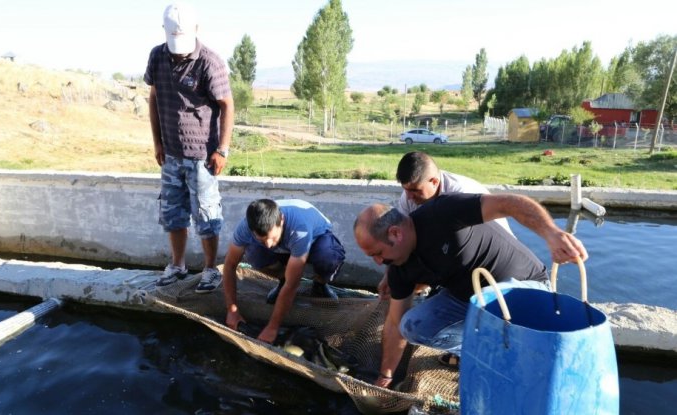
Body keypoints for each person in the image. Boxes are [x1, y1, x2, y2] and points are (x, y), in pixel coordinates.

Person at [353, 193, 587, 388]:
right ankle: (477, 352)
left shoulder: (442, 213)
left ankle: (504, 354)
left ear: (395, 233)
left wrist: (552, 233)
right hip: (470, 298)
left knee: (516, 347)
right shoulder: (398, 267)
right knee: (411, 326)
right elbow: (395, 325)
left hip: (521, 286)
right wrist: (386, 375)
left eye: (377, 253)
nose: (378, 262)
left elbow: (509, 203)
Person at [144, 3, 234, 292]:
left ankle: (210, 270)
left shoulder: (210, 61)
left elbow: (227, 105)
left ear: (197, 30)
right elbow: (154, 99)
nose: (178, 49)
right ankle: (178, 265)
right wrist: (158, 142)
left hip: (203, 158)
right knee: (172, 213)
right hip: (171, 154)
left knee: (206, 215)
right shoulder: (157, 56)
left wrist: (222, 149)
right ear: (165, 32)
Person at [376, 151, 515, 299]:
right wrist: (390, 276)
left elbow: (456, 251)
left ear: (434, 182)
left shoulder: (461, 194)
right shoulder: (409, 197)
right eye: (405, 189)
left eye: (415, 190)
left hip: (494, 269)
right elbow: (402, 241)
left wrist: (421, 281)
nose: (409, 197)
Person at [222, 199, 346, 344]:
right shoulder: (245, 227)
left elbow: (293, 285)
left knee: (327, 257)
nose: (268, 244)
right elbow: (229, 266)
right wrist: (232, 310)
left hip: (317, 240)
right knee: (255, 254)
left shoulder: (299, 228)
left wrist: (272, 327)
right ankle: (281, 280)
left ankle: (320, 284)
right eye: (262, 239)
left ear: (281, 220)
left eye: (271, 237)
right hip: (287, 247)